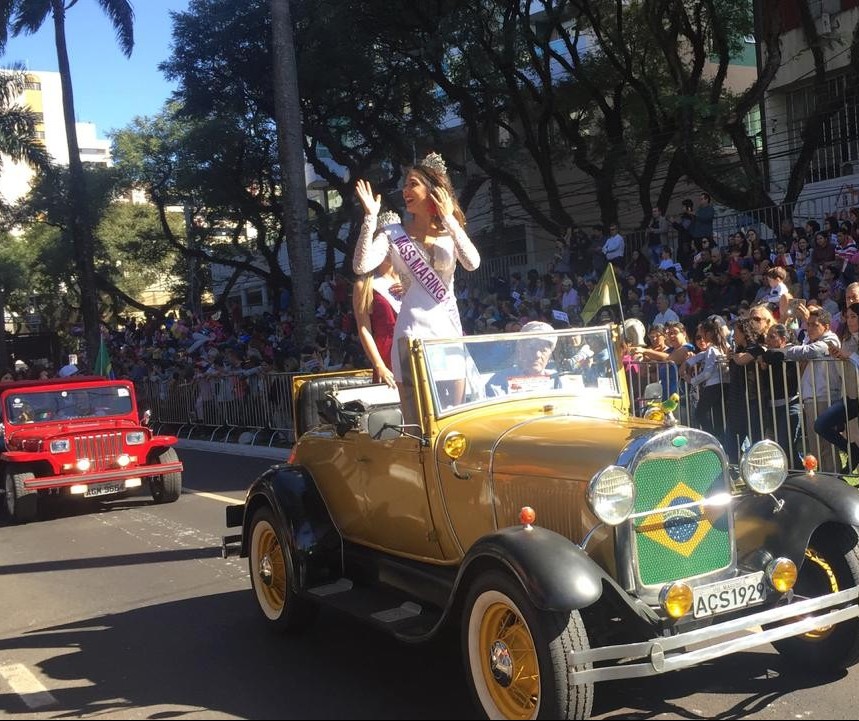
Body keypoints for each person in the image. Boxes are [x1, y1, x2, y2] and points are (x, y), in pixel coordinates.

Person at [354, 152, 481, 421]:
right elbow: (361, 266)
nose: (405, 190)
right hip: (410, 335)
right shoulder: (394, 233)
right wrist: (369, 218)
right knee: (416, 424)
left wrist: (448, 219)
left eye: (413, 183)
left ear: (431, 190)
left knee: (452, 420)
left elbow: (472, 263)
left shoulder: (450, 230)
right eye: (405, 184)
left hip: (446, 333)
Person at [352, 246, 402, 387]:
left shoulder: (411, 278)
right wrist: (379, 365)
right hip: (387, 353)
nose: (389, 250)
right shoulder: (364, 285)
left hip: (415, 346)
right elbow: (364, 329)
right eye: (384, 245)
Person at [485, 321, 558, 397]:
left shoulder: (558, 379)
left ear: (550, 355)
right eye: (531, 348)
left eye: (543, 350)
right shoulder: (499, 382)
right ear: (520, 349)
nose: (537, 355)